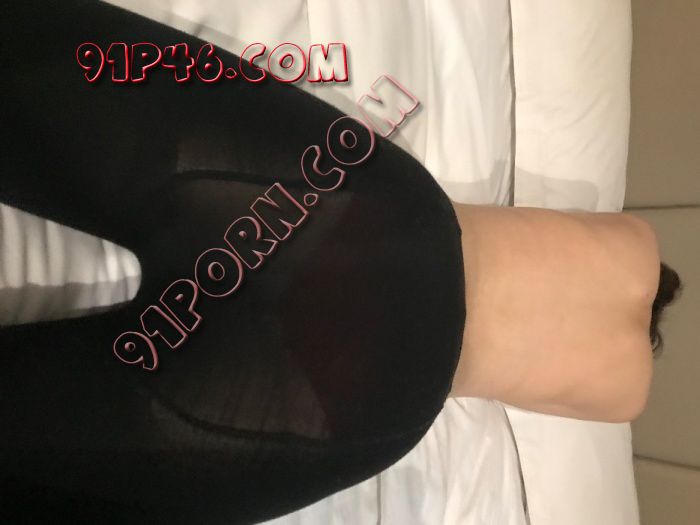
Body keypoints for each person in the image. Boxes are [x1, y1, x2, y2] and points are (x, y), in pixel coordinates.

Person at [446, 202, 681, 422]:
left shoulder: (640, 236)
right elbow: (521, 397)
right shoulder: (628, 398)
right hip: (439, 352)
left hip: (437, 229)